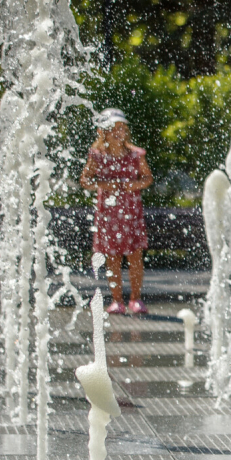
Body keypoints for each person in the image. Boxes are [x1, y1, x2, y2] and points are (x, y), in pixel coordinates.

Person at [80, 109, 153, 315]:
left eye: (121, 128)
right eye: (112, 128)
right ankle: (117, 300)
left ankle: (136, 299)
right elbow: (85, 180)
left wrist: (133, 186)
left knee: (135, 256)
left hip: (131, 211)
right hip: (108, 214)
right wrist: (104, 184)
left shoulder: (136, 155)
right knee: (112, 257)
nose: (117, 132)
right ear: (102, 132)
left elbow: (148, 178)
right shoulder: (97, 155)